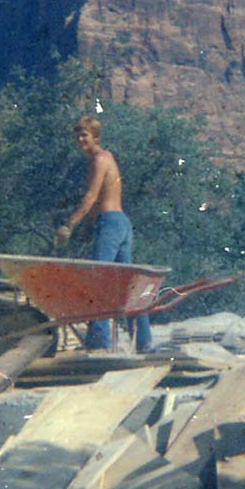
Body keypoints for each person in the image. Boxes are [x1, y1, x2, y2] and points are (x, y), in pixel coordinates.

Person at [55, 115, 153, 352]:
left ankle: (99, 343)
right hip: (118, 224)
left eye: (85, 135)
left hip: (111, 224)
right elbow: (98, 202)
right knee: (127, 286)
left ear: (95, 136)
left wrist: (70, 225)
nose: (80, 139)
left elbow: (90, 197)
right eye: (77, 135)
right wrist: (88, 228)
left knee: (100, 281)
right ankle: (144, 342)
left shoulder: (100, 159)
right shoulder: (100, 160)